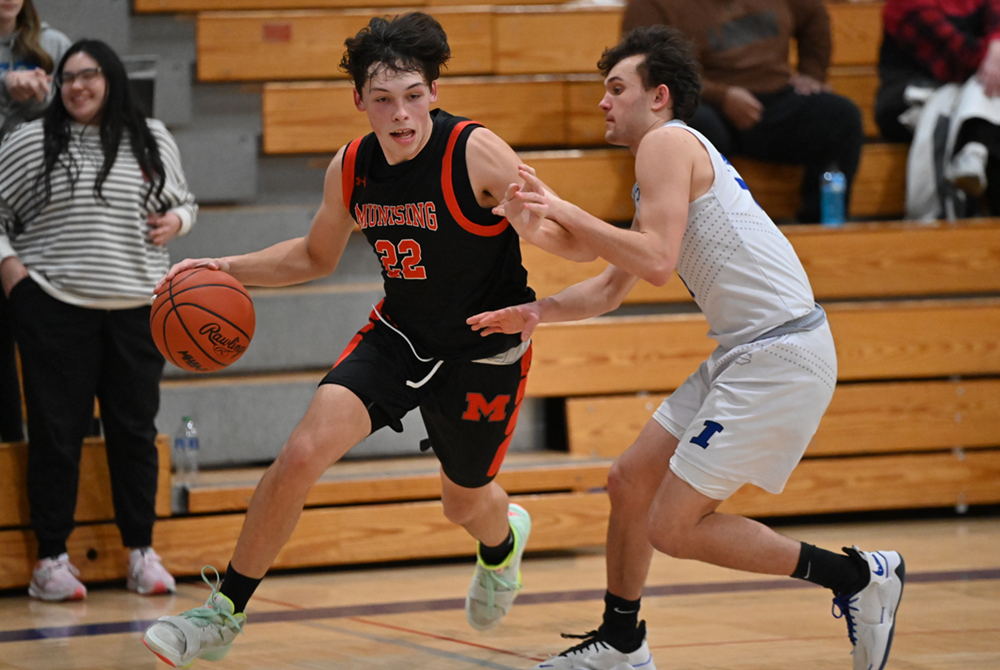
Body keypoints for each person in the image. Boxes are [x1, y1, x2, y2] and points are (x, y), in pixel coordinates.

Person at [142, 13, 593, 668]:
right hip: (400, 335)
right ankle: (223, 613)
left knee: (462, 500)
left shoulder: (477, 153)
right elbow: (313, 256)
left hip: (482, 345)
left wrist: (540, 226)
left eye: (413, 95)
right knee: (300, 455)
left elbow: (574, 244)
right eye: (382, 99)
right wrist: (223, 268)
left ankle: (501, 546)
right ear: (360, 102)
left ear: (434, 93)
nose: (400, 114)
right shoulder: (352, 166)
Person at [472, 26, 904, 670]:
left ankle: (857, 578)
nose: (604, 102)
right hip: (748, 350)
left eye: (617, 88)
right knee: (629, 482)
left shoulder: (667, 143)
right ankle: (621, 640)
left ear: (660, 96)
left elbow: (653, 261)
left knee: (673, 527)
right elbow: (611, 285)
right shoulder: (659, 167)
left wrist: (561, 208)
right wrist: (539, 309)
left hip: (780, 352)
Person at [0, 39, 194, 601]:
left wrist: (177, 221)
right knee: (56, 436)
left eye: (90, 76)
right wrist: (11, 269)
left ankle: (141, 553)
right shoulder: (29, 140)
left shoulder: (151, 136)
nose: (78, 86)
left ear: (112, 79)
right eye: (68, 78)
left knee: (135, 433)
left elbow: (184, 200)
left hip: (138, 306)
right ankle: (50, 561)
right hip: (54, 305)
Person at [620, 0, 864, 224]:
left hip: (776, 99)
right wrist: (722, 96)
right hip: (700, 102)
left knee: (841, 116)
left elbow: (814, 15)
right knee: (689, 131)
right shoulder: (653, 4)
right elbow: (647, 66)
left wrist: (812, 74)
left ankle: (821, 228)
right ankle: (698, 232)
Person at [0, 0, 70, 444]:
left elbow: (84, 116)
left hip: (41, 215)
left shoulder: (53, 45)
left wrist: (50, 98)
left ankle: (59, 449)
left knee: (57, 345)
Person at [876, 0, 1000, 218]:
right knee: (982, 99)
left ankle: (976, 149)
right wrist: (994, 51)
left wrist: (997, 44)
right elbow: (960, 59)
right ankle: (974, 148)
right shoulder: (904, 6)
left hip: (975, 91)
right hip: (907, 100)